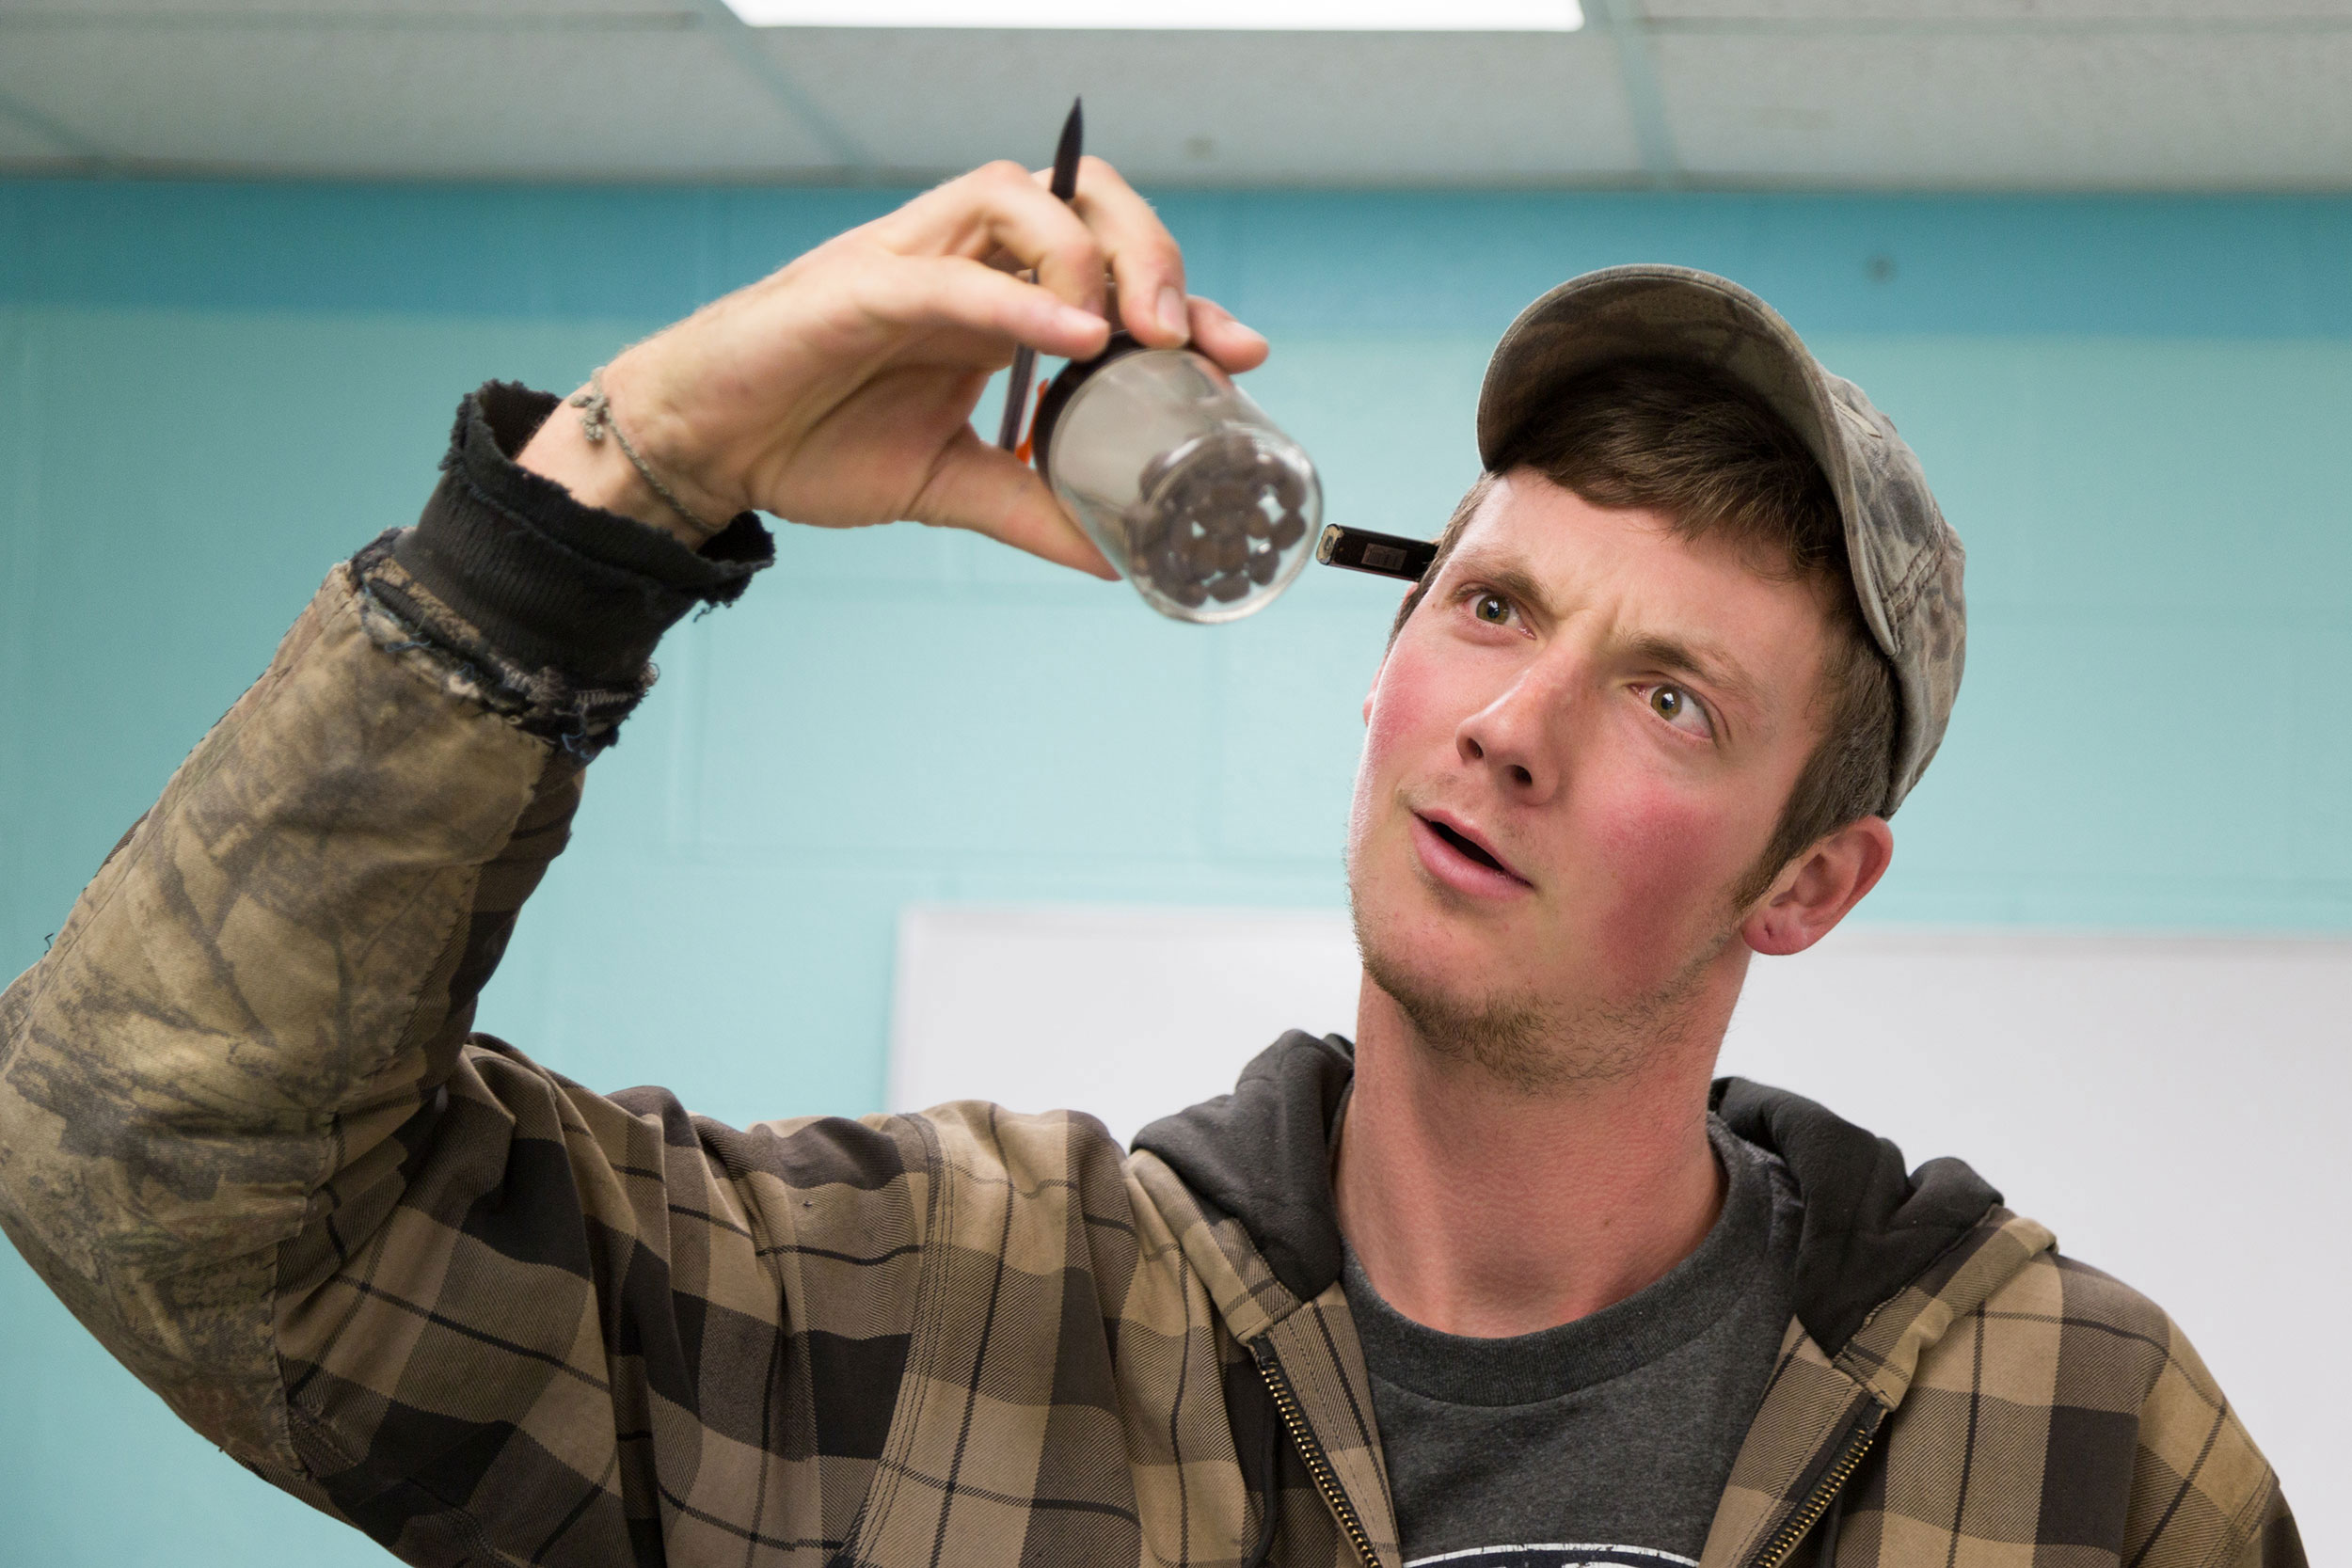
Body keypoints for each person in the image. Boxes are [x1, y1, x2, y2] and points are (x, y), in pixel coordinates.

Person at [0, 157, 2300, 1568]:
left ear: (1806, 885)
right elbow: (165, 1173)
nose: (1507, 720)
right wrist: (629, 470)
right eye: (1488, 605)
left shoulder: (2071, 1446)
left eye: (1669, 696)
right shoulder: (926, 1327)